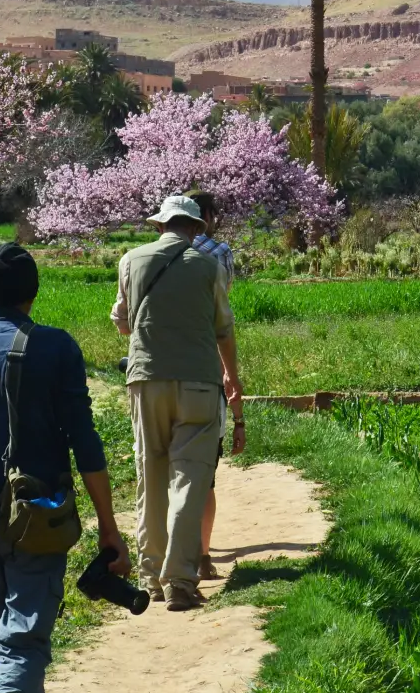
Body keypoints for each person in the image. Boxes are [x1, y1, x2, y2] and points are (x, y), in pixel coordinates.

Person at [0, 243, 129, 693]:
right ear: (33, 291)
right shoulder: (56, 348)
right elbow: (85, 442)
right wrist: (108, 526)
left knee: (7, 650)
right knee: (21, 650)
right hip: (39, 517)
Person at [112, 195, 243, 611]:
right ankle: (180, 581)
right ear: (194, 228)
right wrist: (233, 381)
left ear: (161, 226)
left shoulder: (131, 260)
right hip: (200, 384)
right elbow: (223, 329)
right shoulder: (209, 266)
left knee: (150, 473)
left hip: (146, 380)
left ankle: (150, 577)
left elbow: (122, 320)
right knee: (191, 479)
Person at [187, 191, 243, 581]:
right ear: (205, 216)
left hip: (155, 375)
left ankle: (161, 562)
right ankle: (202, 556)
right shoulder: (218, 254)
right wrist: (232, 379)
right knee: (203, 471)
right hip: (206, 366)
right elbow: (223, 315)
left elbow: (123, 321)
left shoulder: (142, 258)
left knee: (162, 472)